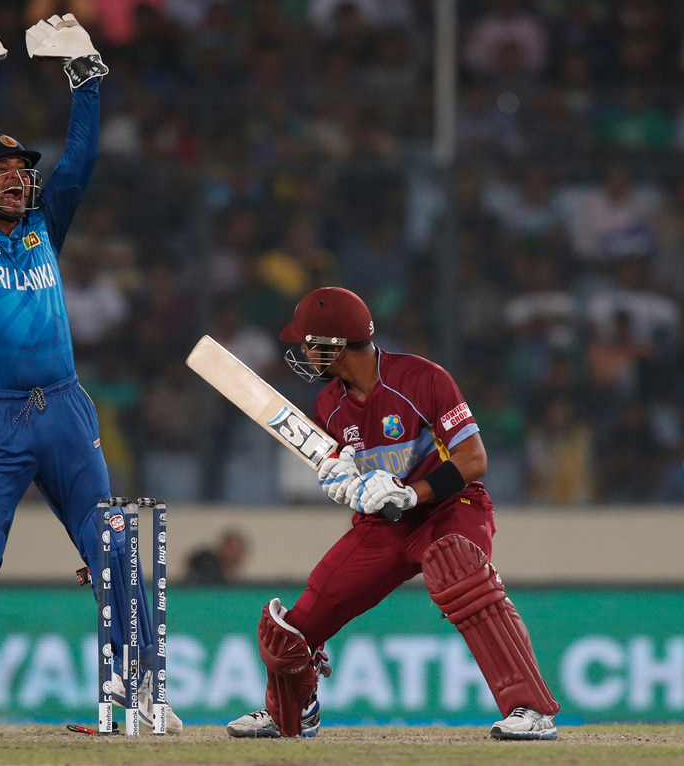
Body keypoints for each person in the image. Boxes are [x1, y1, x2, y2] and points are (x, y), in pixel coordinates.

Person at [0, 16, 181, 736]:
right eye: (3, 171)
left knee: (113, 549)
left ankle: (144, 691)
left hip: (65, 411)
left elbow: (82, 158)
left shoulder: (44, 228)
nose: (18, 179)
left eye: (22, 171)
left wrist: (86, 82)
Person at [227, 287, 559, 740]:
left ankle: (532, 710)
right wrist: (341, 483)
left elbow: (473, 459)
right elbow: (345, 472)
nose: (302, 351)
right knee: (291, 630)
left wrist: (412, 493)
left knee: (460, 570)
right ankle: (294, 711)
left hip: (450, 508)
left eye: (307, 342)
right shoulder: (328, 404)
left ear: (335, 343)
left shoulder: (423, 378)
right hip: (384, 526)